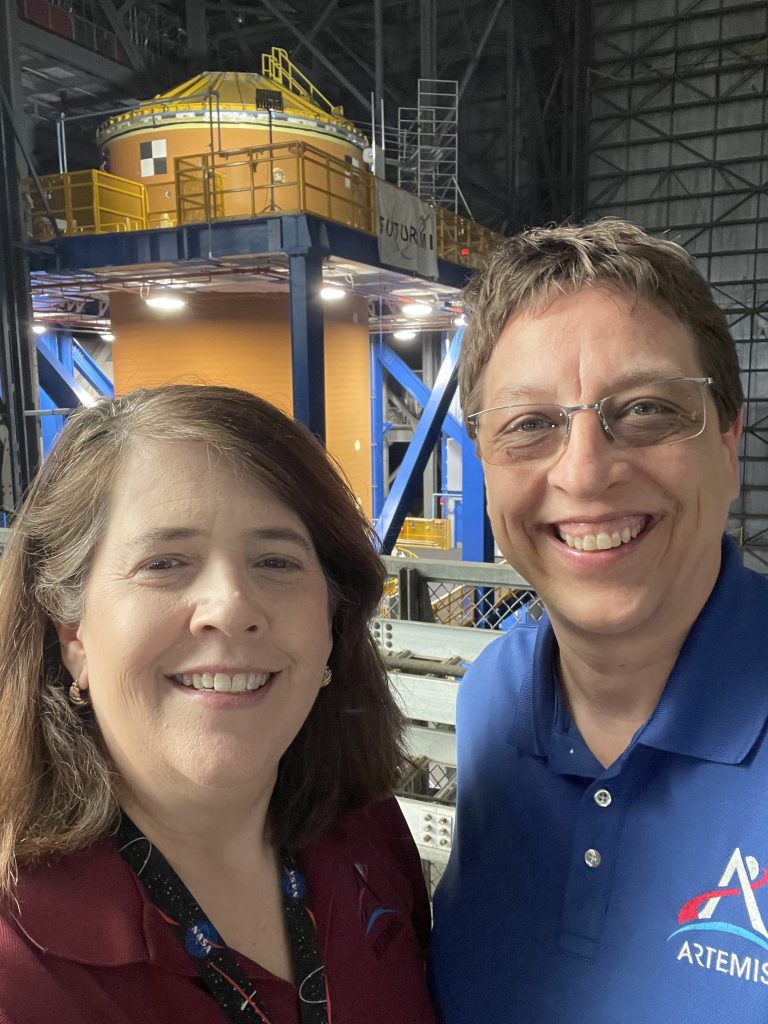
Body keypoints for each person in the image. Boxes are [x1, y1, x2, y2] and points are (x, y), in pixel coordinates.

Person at [0, 384, 438, 1024]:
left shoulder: (368, 839)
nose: (231, 607)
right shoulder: (20, 970)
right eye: (165, 563)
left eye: (275, 560)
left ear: (331, 625)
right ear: (73, 635)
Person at [430, 218, 768, 1023]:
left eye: (647, 408)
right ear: (483, 460)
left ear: (729, 442)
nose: (584, 471)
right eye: (529, 425)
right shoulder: (495, 698)